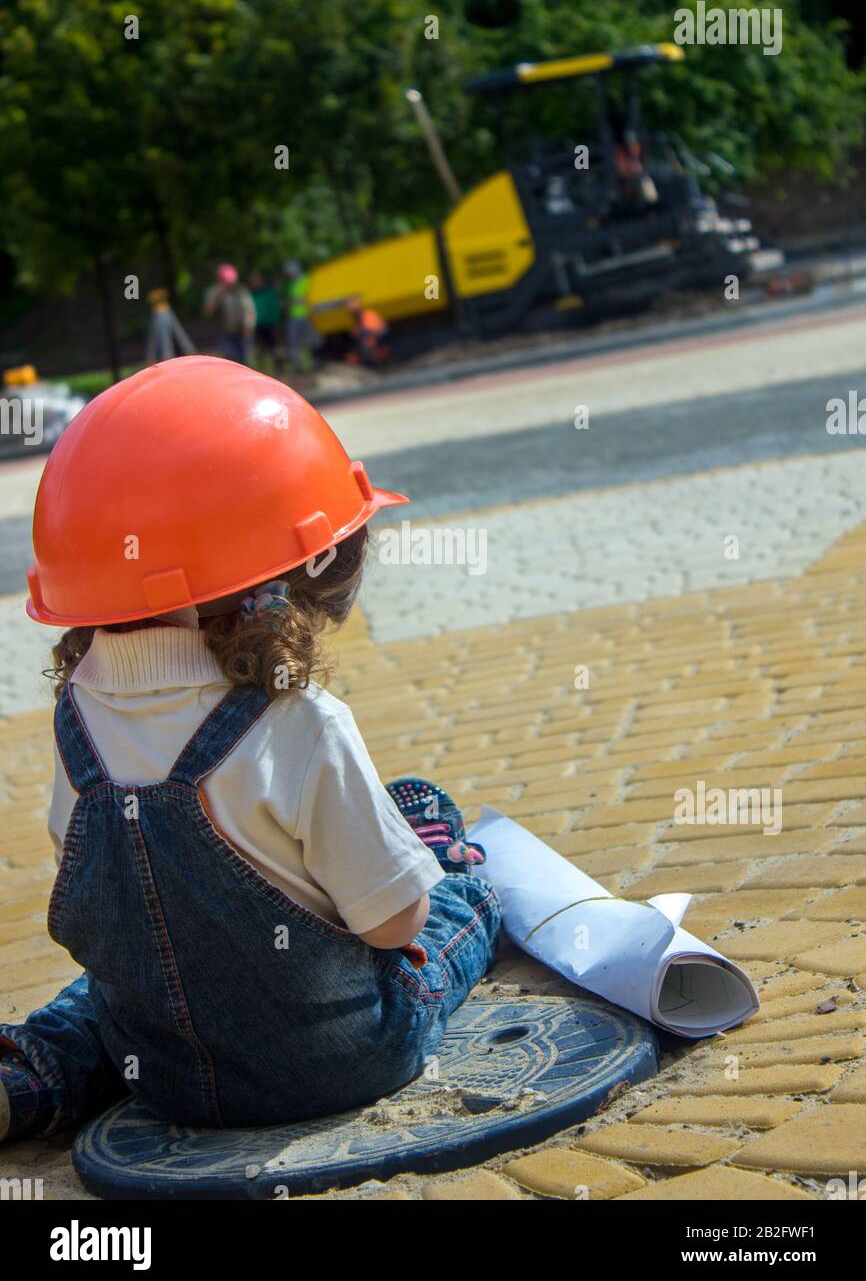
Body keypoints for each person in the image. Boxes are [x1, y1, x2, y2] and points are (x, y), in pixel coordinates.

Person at [0, 357, 499, 1138]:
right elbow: (395, 927)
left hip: (162, 1072)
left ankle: (26, 1076)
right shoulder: (302, 723)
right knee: (449, 871)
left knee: (102, 1002)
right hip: (339, 1062)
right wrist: (426, 878)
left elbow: (104, 899)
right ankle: (459, 862)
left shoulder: (76, 724)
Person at [203, 264, 255, 365]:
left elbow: (249, 310)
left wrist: (248, 326)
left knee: (244, 360)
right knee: (229, 359)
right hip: (224, 331)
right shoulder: (215, 292)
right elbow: (208, 311)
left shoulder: (241, 291)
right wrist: (217, 295)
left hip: (241, 331)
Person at [283, 260, 319, 372]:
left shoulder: (306, 280)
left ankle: (313, 363)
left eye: (290, 272)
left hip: (305, 315)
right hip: (293, 316)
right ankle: (297, 366)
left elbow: (311, 295)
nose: (289, 275)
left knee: (310, 340)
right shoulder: (289, 284)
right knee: (292, 342)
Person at [144, 288, 194, 364]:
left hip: (163, 311)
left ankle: (167, 356)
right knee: (175, 335)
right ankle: (187, 351)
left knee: (165, 337)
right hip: (163, 311)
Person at [249, 271, 283, 373]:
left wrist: (276, 321)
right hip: (257, 325)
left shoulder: (269, 293)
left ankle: (279, 368)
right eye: (253, 282)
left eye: (257, 281)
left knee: (274, 348)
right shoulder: (251, 294)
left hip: (270, 324)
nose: (255, 283)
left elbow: (275, 307)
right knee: (259, 349)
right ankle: (261, 370)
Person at [345, 296, 390, 367]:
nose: (351, 311)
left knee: (366, 347)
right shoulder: (357, 321)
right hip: (370, 345)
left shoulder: (368, 316)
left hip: (378, 342)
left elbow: (376, 332)